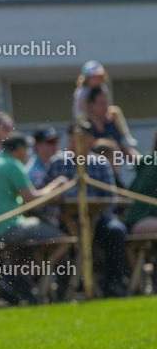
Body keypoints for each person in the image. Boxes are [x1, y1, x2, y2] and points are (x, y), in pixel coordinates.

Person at [43, 123, 129, 297]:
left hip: (97, 220)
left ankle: (114, 283)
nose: (75, 145)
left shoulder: (100, 163)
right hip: (64, 221)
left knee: (117, 230)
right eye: (73, 140)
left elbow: (111, 199)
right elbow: (43, 197)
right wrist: (55, 207)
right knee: (56, 237)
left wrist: (96, 206)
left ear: (91, 141)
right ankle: (62, 287)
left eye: (80, 140)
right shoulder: (57, 163)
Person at [0, 132, 70, 259]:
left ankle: (33, 275)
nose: (28, 153)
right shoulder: (13, 165)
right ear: (20, 149)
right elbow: (33, 200)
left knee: (31, 246)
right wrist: (57, 185)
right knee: (64, 241)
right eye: (27, 149)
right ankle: (47, 278)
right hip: (6, 229)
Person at [85, 85, 139, 159]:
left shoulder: (115, 118)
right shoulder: (86, 125)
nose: (105, 107)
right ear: (91, 105)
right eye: (101, 103)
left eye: (107, 103)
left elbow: (124, 146)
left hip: (118, 162)